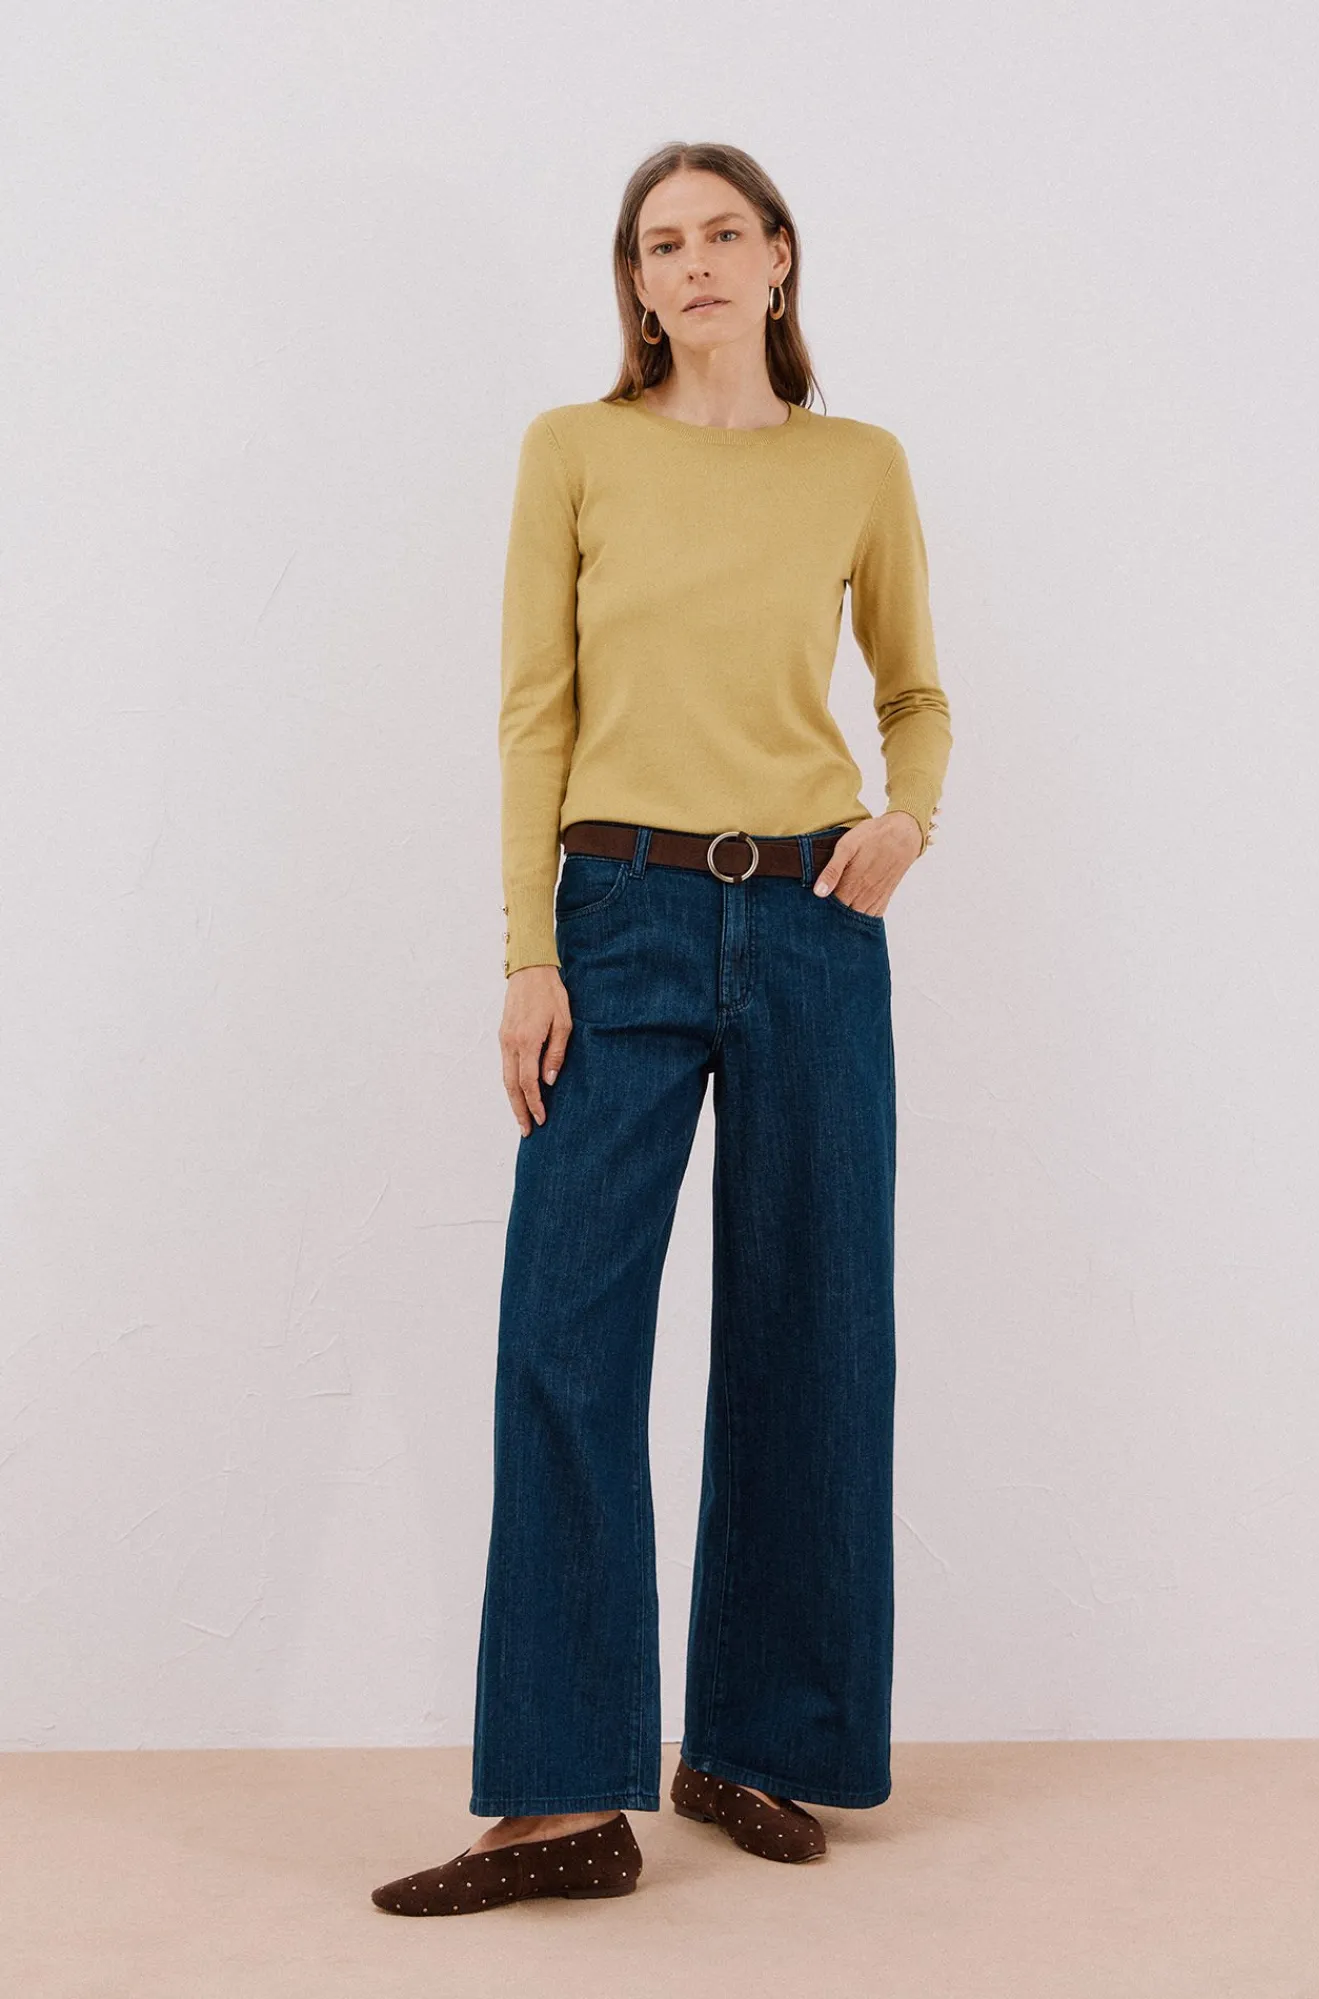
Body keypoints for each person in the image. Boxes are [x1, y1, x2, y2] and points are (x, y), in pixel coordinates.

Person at [372, 138, 952, 1918]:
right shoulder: (576, 449)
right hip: (616, 914)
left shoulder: (859, 465)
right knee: (565, 1335)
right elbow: (531, 714)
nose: (689, 262)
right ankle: (562, 1797)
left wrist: (906, 819)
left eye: (720, 233)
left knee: (812, 1332)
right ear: (634, 283)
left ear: (778, 257)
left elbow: (916, 690)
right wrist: (527, 951)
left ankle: (753, 1743)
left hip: (811, 920)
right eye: (657, 243)